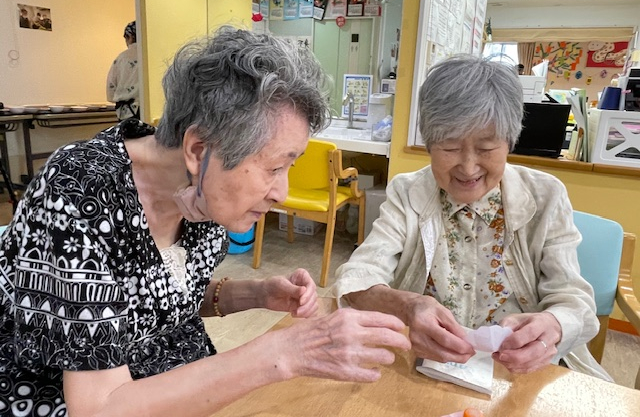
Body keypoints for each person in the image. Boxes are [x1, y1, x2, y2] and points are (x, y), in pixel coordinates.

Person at [0, 26, 410, 417]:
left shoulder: (201, 191)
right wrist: (282, 353)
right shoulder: (79, 191)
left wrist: (256, 293)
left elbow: (154, 299)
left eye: (291, 166)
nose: (281, 193)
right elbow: (97, 408)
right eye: (273, 167)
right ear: (198, 149)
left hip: (176, 386)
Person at [334, 54, 611, 381]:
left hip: (519, 374)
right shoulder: (408, 192)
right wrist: (408, 306)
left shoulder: (545, 196)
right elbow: (358, 277)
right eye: (450, 148)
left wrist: (553, 325)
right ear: (429, 145)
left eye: (486, 148)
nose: (467, 167)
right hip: (425, 369)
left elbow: (575, 302)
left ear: (509, 142)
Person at [106, 21, 140, 120]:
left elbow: (110, 88)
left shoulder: (121, 58)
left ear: (130, 37)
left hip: (125, 112)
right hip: (144, 110)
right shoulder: (149, 55)